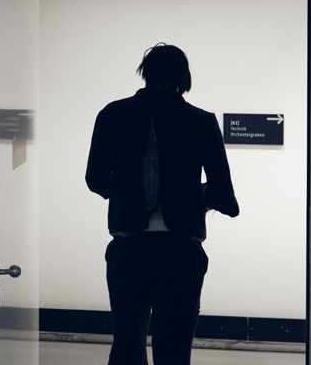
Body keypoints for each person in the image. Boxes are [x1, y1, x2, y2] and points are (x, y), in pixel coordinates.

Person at [85, 43, 239, 365]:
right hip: (180, 246)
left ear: (145, 73)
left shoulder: (112, 114)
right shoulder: (201, 121)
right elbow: (222, 192)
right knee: (174, 349)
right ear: (184, 77)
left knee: (127, 344)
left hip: (129, 243)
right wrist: (194, 198)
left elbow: (95, 180)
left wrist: (128, 193)